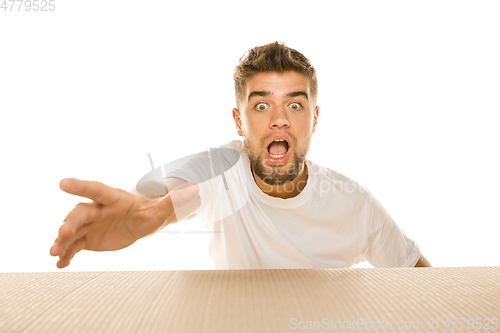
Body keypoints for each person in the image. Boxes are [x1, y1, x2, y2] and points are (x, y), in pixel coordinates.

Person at [50, 42, 431, 269]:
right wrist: (142, 212)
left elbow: (424, 282)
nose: (279, 120)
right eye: (261, 106)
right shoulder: (223, 171)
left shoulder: (354, 204)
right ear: (238, 121)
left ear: (314, 118)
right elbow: (161, 196)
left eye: (295, 107)